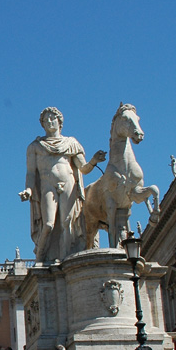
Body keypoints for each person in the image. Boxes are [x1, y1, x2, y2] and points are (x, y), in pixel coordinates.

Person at [19, 107, 105, 262]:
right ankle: (40, 258)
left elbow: (83, 168)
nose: (49, 122)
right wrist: (29, 190)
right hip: (47, 185)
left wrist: (93, 161)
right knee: (49, 224)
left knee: (68, 222)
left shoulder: (71, 143)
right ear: (42, 125)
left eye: (52, 118)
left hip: (69, 183)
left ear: (60, 121)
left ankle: (66, 259)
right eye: (45, 120)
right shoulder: (35, 146)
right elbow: (31, 173)